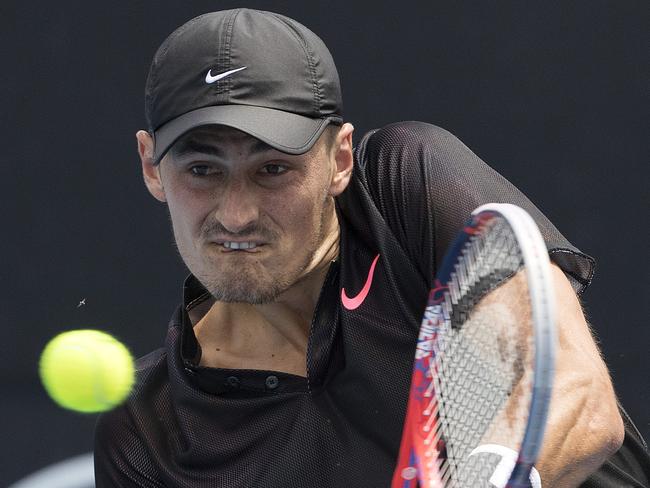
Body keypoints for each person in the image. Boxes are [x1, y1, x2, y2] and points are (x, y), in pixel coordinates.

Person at [94, 8, 649, 487]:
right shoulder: (148, 435)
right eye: (202, 169)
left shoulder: (403, 188)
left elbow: (574, 399)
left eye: (272, 169)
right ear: (151, 167)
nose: (237, 213)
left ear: (339, 160)